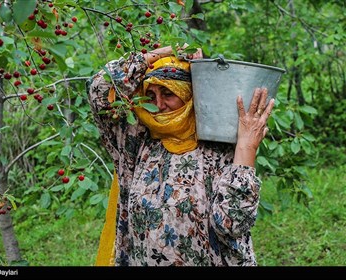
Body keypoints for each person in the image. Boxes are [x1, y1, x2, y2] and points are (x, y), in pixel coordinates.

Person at [86, 45, 274, 266]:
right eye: (150, 95)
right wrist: (165, 52)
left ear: (189, 95)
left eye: (168, 93)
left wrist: (247, 147)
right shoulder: (135, 143)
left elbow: (232, 224)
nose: (158, 105)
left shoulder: (218, 145)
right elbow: (99, 87)